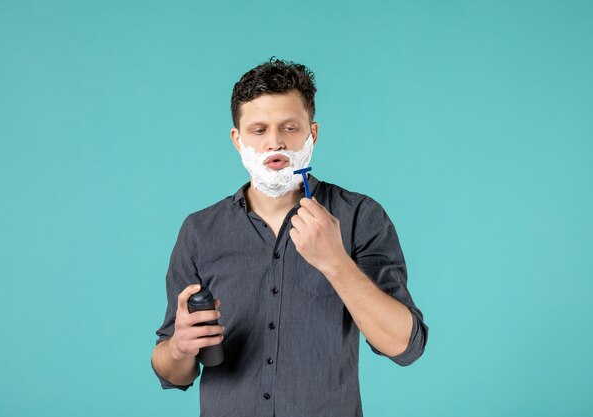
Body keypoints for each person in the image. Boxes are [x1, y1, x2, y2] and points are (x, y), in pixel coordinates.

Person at [151, 58, 428, 417]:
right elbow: (171, 372)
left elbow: (404, 345)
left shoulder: (360, 217)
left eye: (290, 127)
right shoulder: (200, 231)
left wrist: (334, 261)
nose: (275, 142)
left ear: (312, 134)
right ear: (237, 140)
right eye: (259, 130)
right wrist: (179, 348)